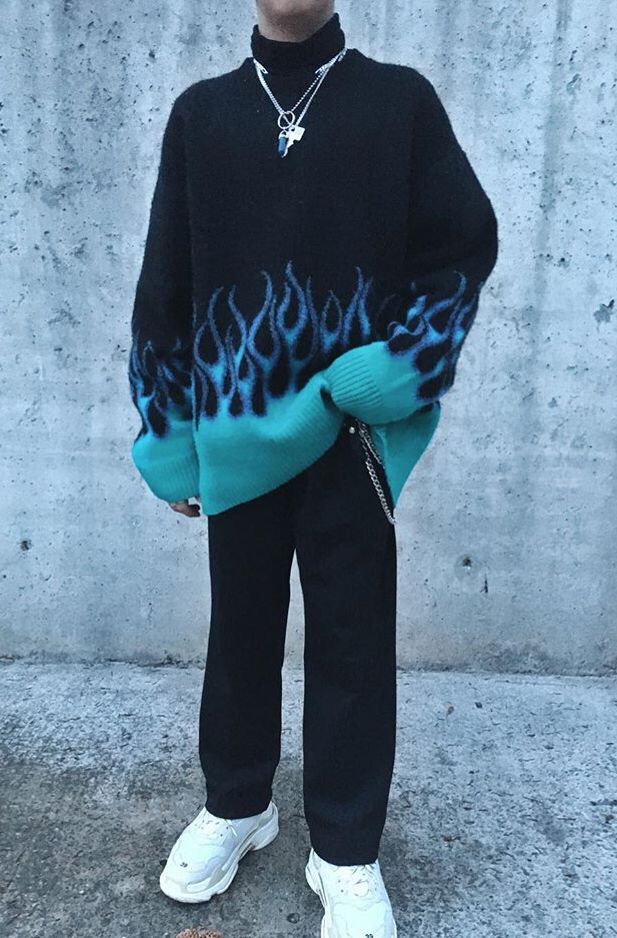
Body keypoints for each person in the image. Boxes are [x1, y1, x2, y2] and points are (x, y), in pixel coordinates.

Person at [128, 1, 498, 934]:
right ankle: (238, 802)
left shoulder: (397, 103)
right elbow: (165, 281)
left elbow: (461, 247)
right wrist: (166, 434)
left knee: (353, 644)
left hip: (350, 438)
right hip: (234, 438)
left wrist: (396, 372)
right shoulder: (202, 115)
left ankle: (344, 849)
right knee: (239, 632)